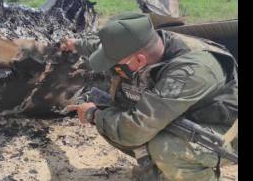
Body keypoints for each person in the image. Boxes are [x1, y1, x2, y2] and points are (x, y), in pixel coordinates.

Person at [61, 12, 238, 180]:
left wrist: (93, 115)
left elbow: (136, 130)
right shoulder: (146, 45)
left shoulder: (192, 71)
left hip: (227, 133)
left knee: (165, 148)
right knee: (121, 113)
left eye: (116, 66)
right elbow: (103, 48)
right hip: (188, 119)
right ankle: (160, 170)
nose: (113, 69)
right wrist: (74, 44)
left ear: (139, 60)